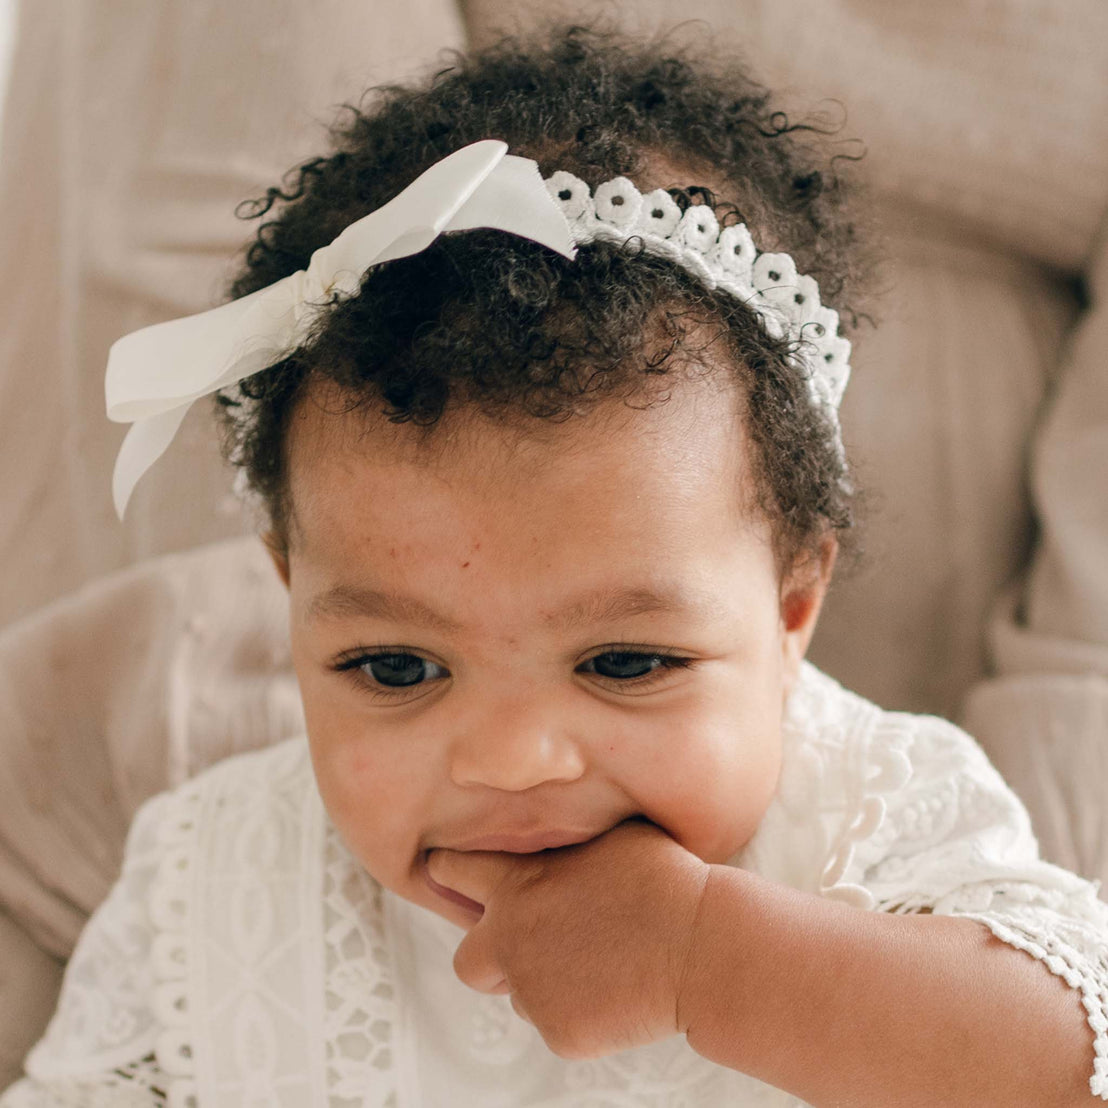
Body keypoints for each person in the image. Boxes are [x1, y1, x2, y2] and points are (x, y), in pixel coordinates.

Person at [4, 22, 1107, 1108]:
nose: (510, 760)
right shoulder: (211, 872)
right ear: (290, 599)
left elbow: (1071, 1069)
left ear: (790, 607)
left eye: (624, 660)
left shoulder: (871, 814)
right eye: (394, 667)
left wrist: (706, 958)